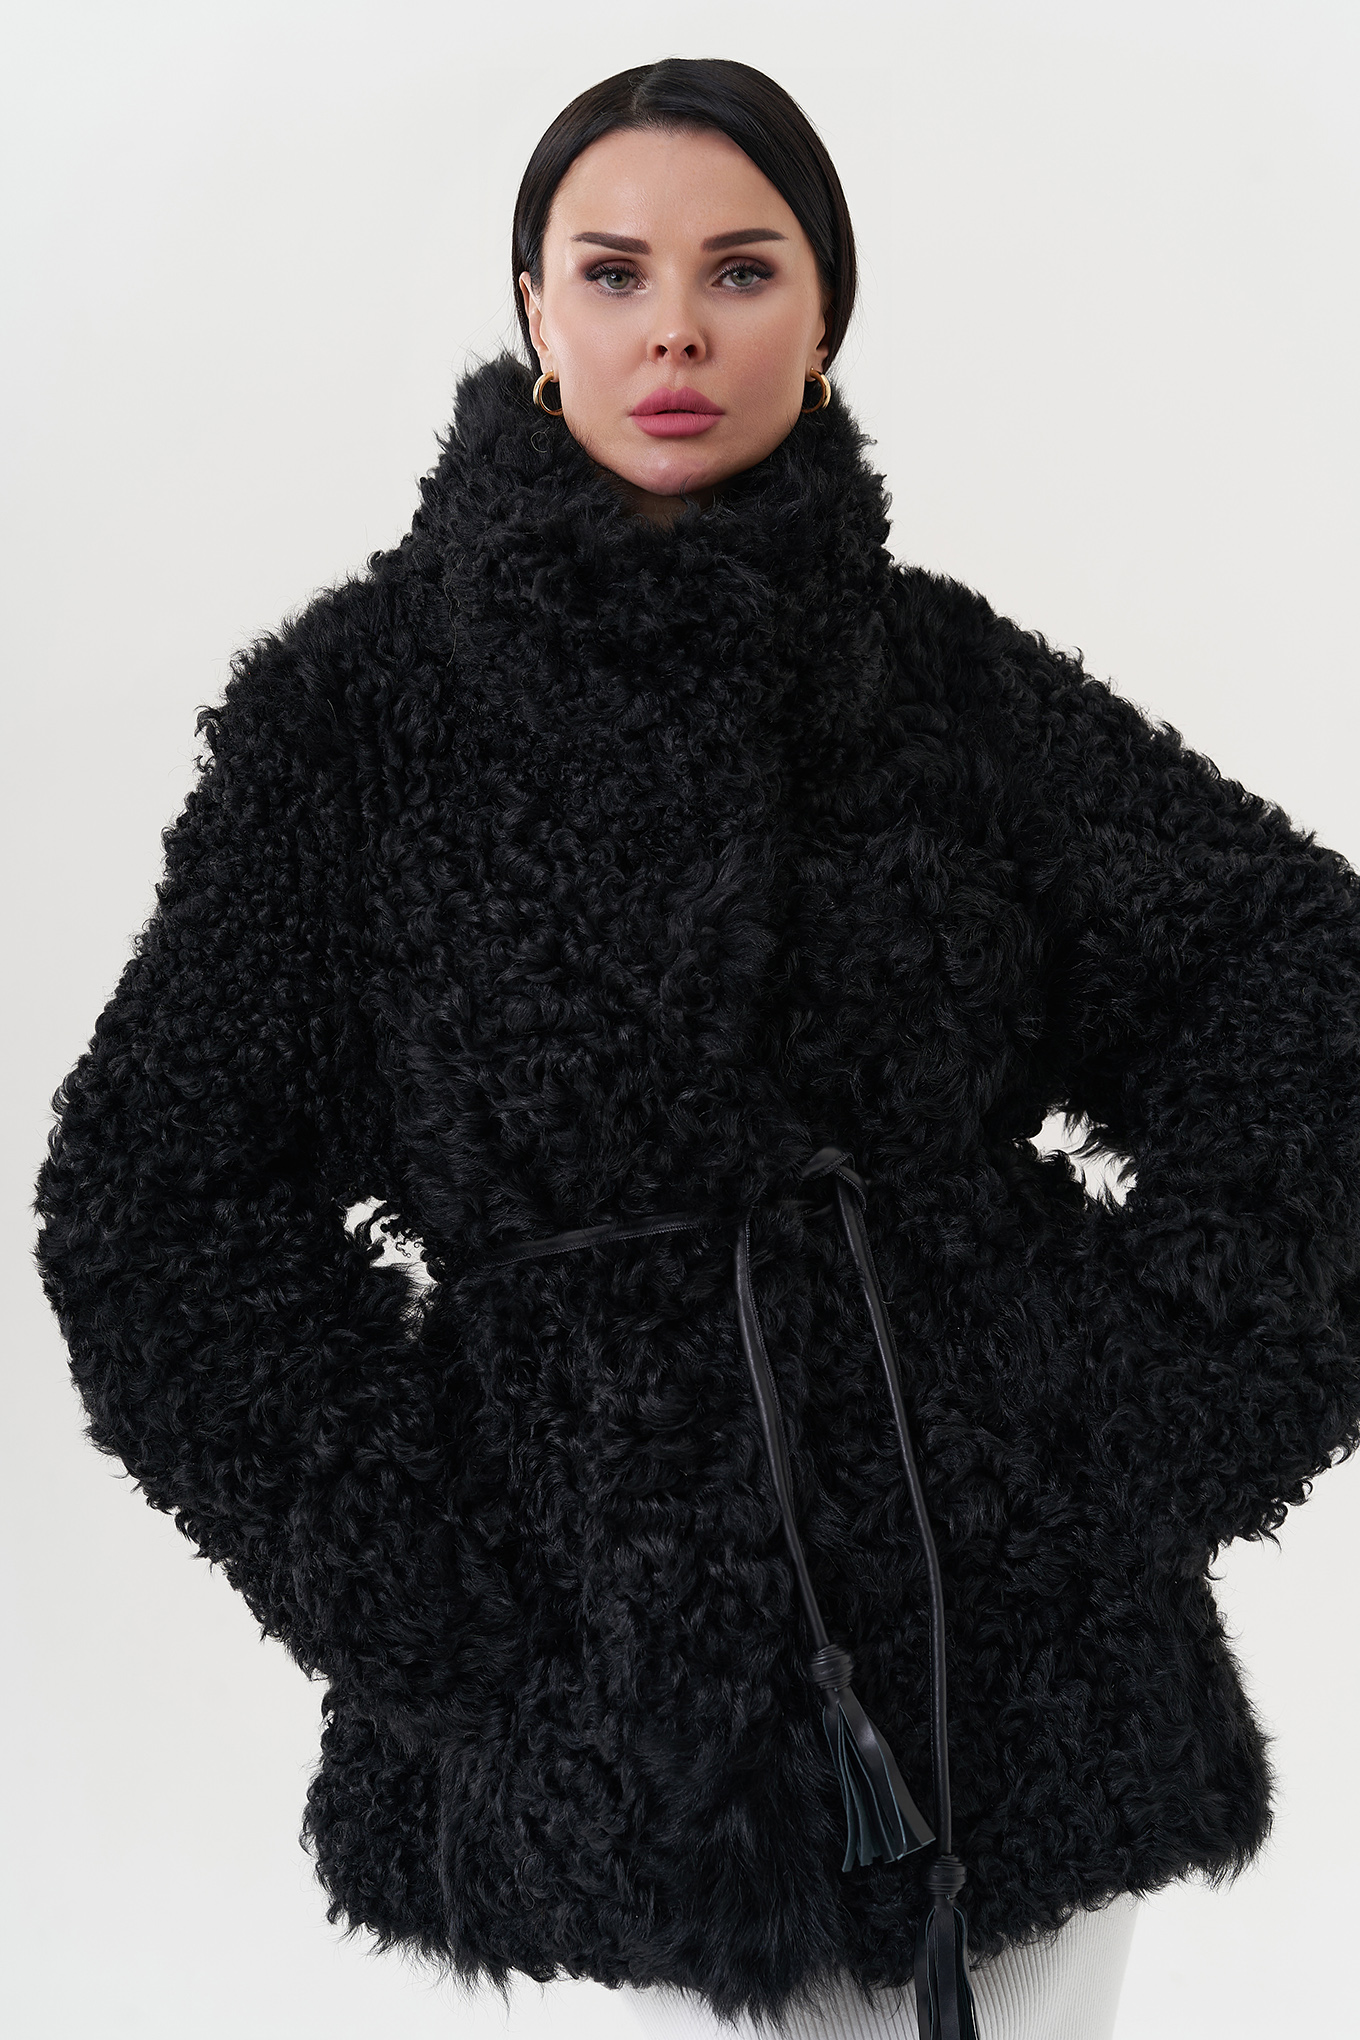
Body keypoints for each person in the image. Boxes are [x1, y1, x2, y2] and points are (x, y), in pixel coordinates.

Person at [31, 55, 1360, 2040]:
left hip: (1007, 1671)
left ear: (822, 321)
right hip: (603, 1710)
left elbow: (1297, 980)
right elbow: (153, 1201)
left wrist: (1138, 1415)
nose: (674, 327)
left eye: (741, 271)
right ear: (532, 311)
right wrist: (444, 1603)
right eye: (614, 271)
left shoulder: (939, 680)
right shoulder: (360, 718)